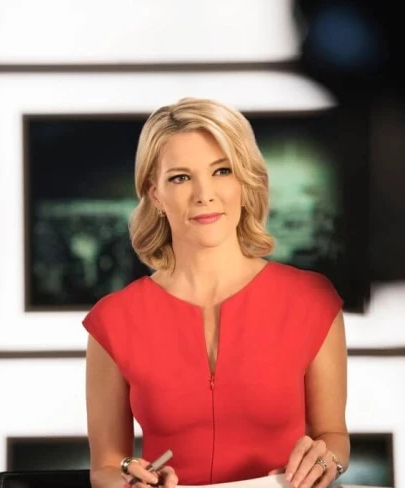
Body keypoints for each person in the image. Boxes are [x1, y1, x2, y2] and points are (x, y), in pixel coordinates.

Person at [83, 97, 349, 488]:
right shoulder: (112, 320)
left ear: (244, 180)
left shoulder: (312, 300)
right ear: (155, 194)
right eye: (180, 178)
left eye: (222, 171)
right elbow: (105, 467)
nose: (204, 194)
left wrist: (328, 461)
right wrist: (129, 480)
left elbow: (334, 436)